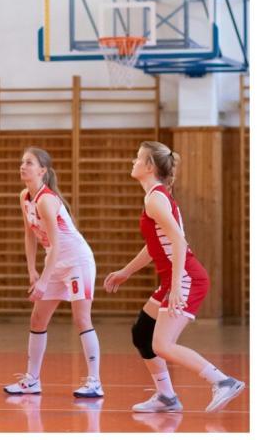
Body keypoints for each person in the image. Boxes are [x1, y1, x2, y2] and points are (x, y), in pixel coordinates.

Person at [104, 141, 245, 413]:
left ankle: (223, 381)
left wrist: (178, 283)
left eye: (137, 158)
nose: (132, 162)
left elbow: (179, 243)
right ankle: (166, 397)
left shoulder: (155, 199)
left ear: (148, 166)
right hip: (174, 276)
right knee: (142, 333)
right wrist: (126, 272)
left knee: (163, 344)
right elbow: (155, 245)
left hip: (186, 276)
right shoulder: (155, 197)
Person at [3, 147, 103, 398]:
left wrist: (45, 280)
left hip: (76, 262)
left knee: (82, 319)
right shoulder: (25, 196)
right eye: (21, 162)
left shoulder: (47, 200)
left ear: (43, 171)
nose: (22, 166)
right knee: (37, 320)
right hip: (54, 262)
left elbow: (57, 244)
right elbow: (30, 234)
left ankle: (95, 381)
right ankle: (32, 380)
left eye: (29, 162)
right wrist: (32, 270)